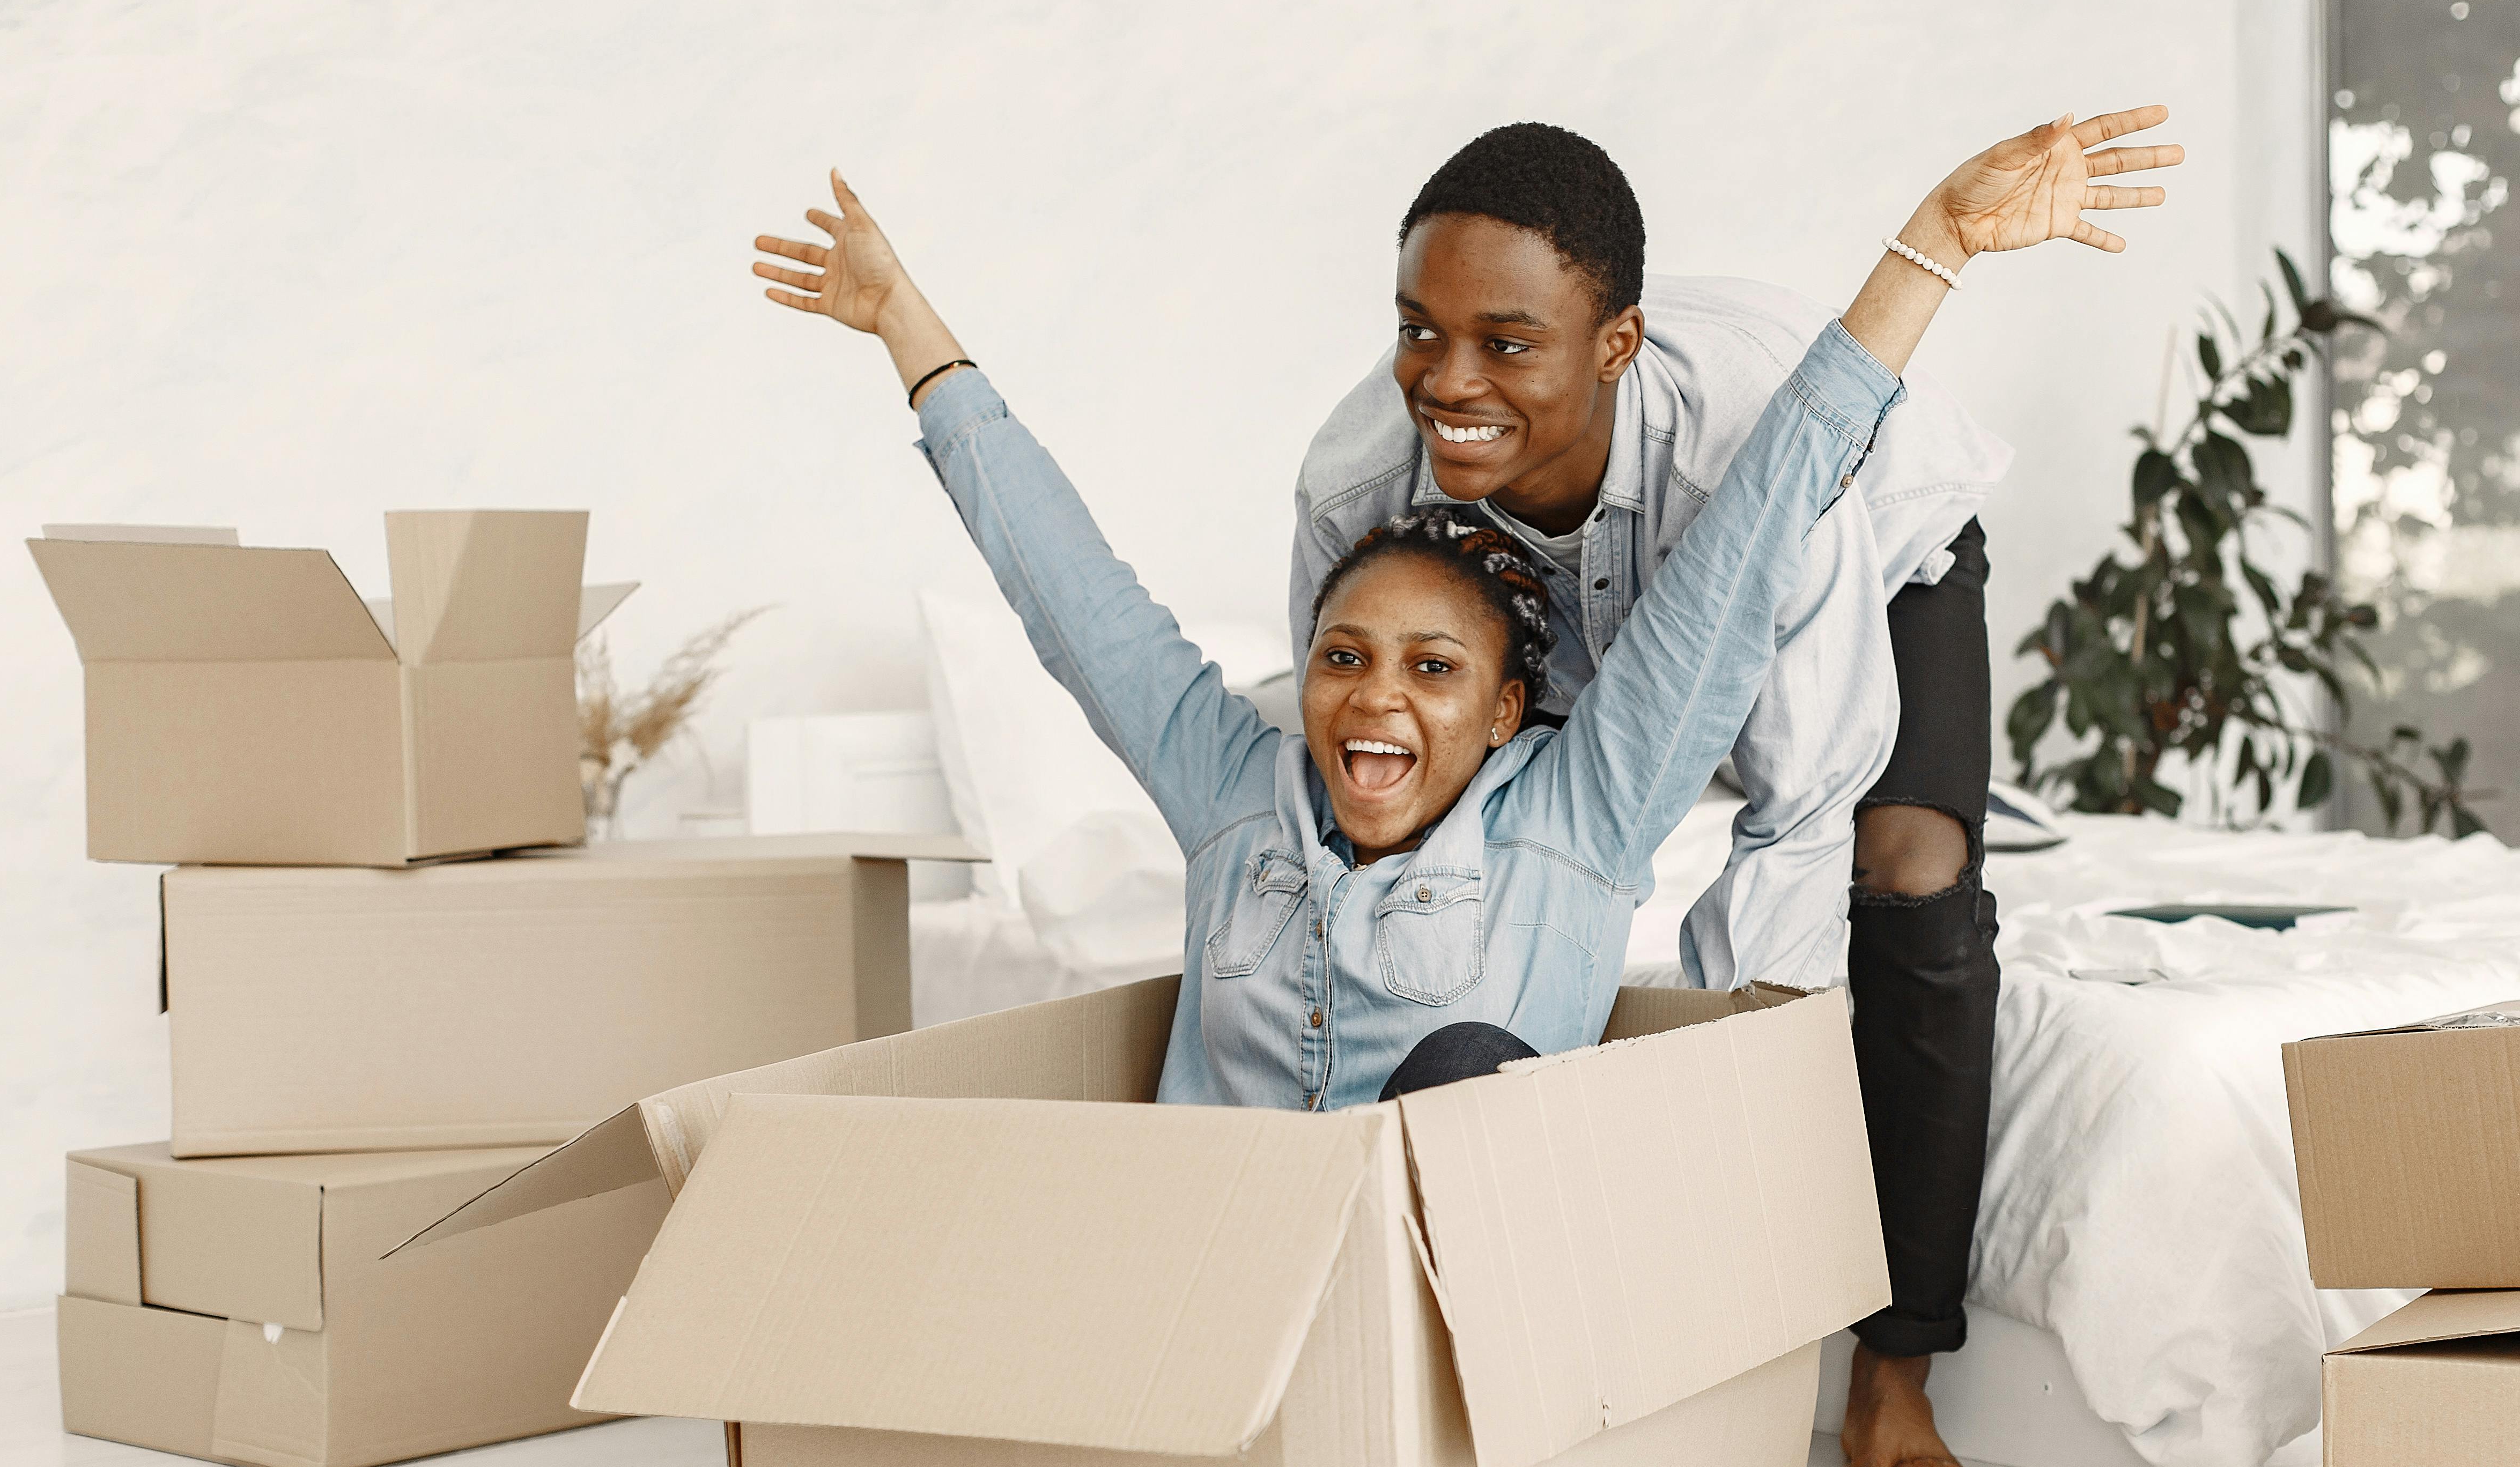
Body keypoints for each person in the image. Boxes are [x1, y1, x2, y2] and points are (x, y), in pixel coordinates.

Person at [745, 108, 2167, 1172]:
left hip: (1445, 1277)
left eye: (1434, 670)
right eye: (1345, 656)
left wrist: (1938, 242)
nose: (1375, 699)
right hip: (1212, 1255)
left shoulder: (1581, 813)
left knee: (1475, 1066)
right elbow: (1070, 593)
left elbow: (1762, 521)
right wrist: (905, 330)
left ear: (1507, 711)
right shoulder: (1231, 789)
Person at [1288, 112, 2181, 1467]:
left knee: (1911, 861)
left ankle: (1896, 1361)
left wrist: (1729, 1113)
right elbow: (1356, 791)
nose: (1444, 380)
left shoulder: (1756, 457)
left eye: (1506, 345)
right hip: (1560, 630)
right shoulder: (1360, 489)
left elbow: (1804, 810)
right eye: (1418, 331)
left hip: (1876, 553)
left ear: (1616, 347)